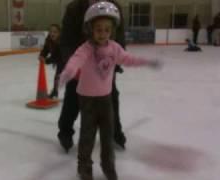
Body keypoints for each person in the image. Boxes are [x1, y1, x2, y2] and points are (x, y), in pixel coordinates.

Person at [59, 2, 161, 180]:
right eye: (98, 29)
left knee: (107, 136)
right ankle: (84, 167)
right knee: (87, 136)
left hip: (105, 98)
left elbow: (128, 59)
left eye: (107, 30)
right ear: (90, 29)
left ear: (112, 30)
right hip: (87, 99)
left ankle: (108, 166)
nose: (102, 34)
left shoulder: (114, 47)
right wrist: (68, 72)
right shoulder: (86, 48)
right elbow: (75, 59)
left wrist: (146, 62)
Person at [57, 0, 126, 153]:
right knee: (72, 100)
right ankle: (65, 133)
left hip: (105, 64)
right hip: (81, 63)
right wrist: (74, 65)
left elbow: (119, 37)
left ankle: (116, 133)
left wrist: (116, 61)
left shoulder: (114, 7)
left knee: (111, 98)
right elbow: (66, 40)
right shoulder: (74, 8)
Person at [39, 24, 61, 98]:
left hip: (67, 60)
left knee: (65, 77)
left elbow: (57, 56)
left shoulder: (62, 42)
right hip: (59, 61)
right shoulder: (48, 40)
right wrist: (42, 55)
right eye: (51, 31)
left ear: (59, 33)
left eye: (55, 32)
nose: (52, 34)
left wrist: (46, 61)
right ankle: (55, 91)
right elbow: (46, 49)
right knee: (58, 76)